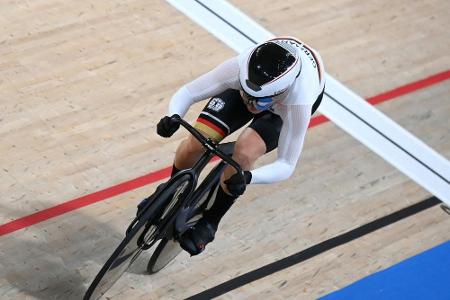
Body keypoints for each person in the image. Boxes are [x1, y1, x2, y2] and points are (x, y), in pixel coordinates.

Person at [156, 36, 325, 256]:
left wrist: (248, 178)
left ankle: (210, 221)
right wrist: (173, 116)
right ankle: (172, 192)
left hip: (281, 111)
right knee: (196, 142)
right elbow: (188, 93)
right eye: (246, 95)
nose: (251, 105)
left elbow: (287, 164)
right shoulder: (238, 68)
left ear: (280, 92)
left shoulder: (299, 102)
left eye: (260, 101)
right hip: (261, 89)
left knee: (245, 151)